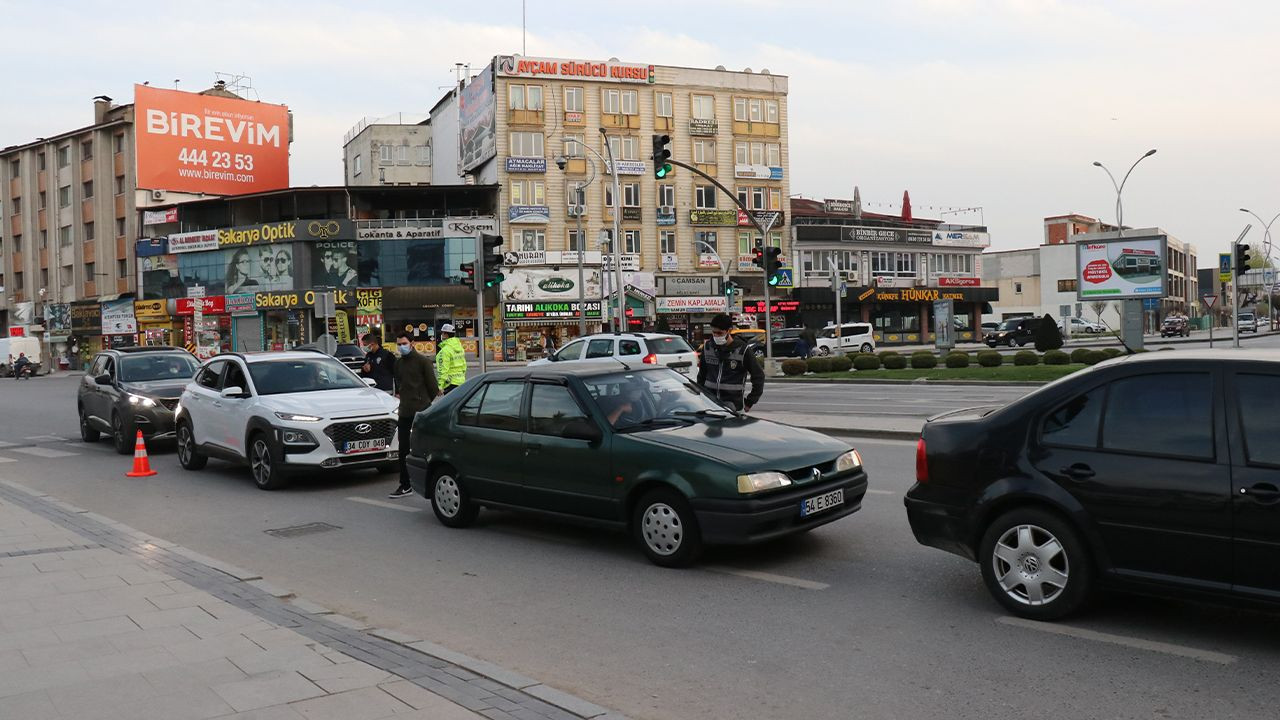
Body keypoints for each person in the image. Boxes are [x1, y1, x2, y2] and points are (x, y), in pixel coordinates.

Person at [389, 332, 439, 499]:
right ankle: (405, 484)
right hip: (404, 412)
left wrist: (423, 404)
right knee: (403, 448)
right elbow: (398, 382)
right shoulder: (398, 363)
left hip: (421, 412)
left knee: (424, 448)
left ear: (412, 343)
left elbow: (433, 388)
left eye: (403, 343)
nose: (401, 346)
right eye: (398, 344)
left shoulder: (423, 362)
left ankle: (428, 483)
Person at [695, 314, 764, 412]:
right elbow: (702, 375)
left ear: (729, 331)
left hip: (733, 406)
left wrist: (750, 401)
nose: (716, 336)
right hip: (709, 404)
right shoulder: (707, 348)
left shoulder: (742, 350)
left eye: (720, 333)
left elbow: (758, 376)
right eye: (714, 333)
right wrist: (700, 396)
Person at [434, 324, 467, 394]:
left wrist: (440, 386)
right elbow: (464, 366)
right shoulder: (460, 348)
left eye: (442, 333)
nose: (441, 335)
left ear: (445, 334)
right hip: (461, 382)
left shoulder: (444, 351)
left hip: (450, 384)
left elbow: (442, 371)